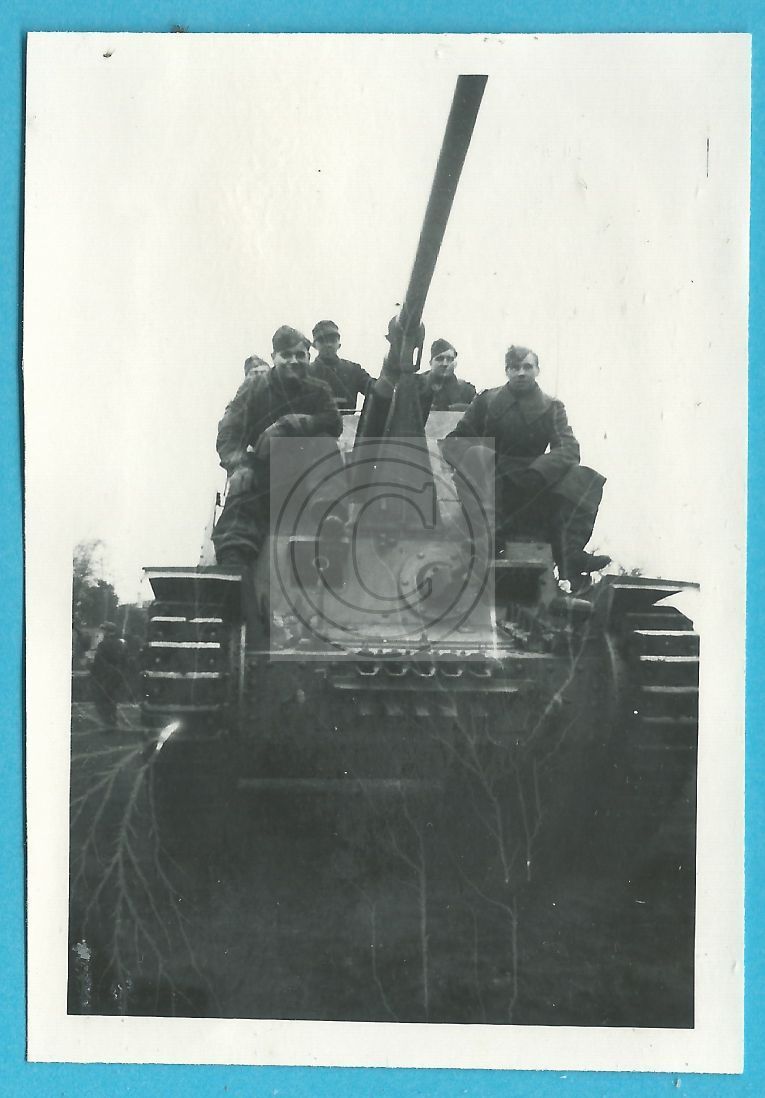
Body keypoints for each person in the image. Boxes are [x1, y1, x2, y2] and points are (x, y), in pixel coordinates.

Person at [442, 345, 611, 587]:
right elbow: (454, 441)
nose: (521, 373)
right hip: (493, 478)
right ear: (507, 371)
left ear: (537, 370)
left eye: (527, 367)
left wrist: (540, 471)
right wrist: (481, 458)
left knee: (585, 477)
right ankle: (484, 545)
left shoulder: (552, 407)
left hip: (535, 481)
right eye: (515, 367)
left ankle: (569, 554)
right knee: (477, 455)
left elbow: (569, 448)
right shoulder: (487, 401)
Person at [212, 325, 343, 568]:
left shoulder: (319, 390)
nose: (294, 361)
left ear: (308, 357)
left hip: (307, 476)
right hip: (265, 471)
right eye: (286, 355)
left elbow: (333, 422)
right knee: (242, 489)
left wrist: (291, 423)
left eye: (300, 355)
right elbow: (229, 431)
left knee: (325, 443)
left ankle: (329, 518)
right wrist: (238, 465)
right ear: (274, 357)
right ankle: (234, 561)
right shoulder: (254, 389)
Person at [309, 320, 373, 411]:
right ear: (314, 345)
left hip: (348, 419)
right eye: (322, 341)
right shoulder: (306, 372)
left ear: (339, 344)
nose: (328, 345)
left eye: (332, 340)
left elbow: (375, 390)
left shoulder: (354, 370)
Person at [419, 338, 477, 412]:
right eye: (440, 359)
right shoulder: (417, 386)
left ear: (454, 364)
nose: (445, 364)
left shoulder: (466, 391)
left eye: (449, 359)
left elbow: (476, 412)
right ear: (431, 363)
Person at [90, 622, 126, 729]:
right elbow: (124, 660)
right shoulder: (120, 643)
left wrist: (93, 672)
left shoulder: (103, 644)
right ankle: (112, 719)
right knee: (112, 697)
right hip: (117, 675)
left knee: (103, 698)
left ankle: (108, 722)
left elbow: (98, 661)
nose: (102, 632)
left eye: (104, 630)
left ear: (108, 632)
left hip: (105, 675)